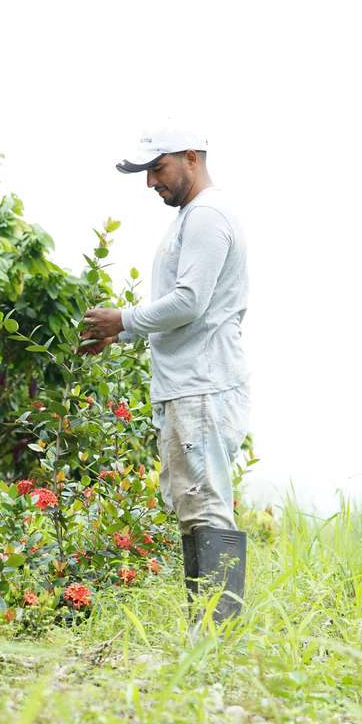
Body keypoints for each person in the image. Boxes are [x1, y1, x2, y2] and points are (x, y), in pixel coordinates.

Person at [79, 126, 250, 625]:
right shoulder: (190, 219)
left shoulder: (207, 217)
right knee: (193, 508)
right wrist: (122, 335)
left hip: (203, 385)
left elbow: (191, 303)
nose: (151, 182)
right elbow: (184, 310)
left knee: (207, 509)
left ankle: (217, 635)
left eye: (158, 168)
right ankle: (207, 630)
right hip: (189, 385)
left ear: (191, 158)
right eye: (147, 172)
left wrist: (124, 320)